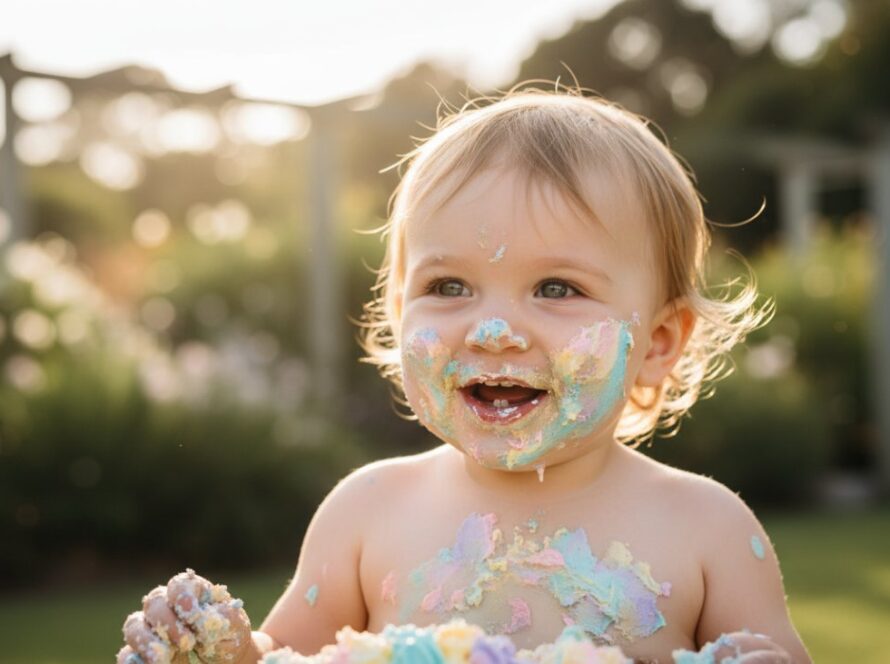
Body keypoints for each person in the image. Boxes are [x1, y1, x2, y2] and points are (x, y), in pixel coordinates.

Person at [117, 85, 812, 663]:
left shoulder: (707, 531)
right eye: (449, 287)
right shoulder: (367, 514)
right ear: (397, 316)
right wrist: (225, 650)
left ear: (658, 342)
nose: (493, 331)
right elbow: (280, 657)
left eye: (557, 288)